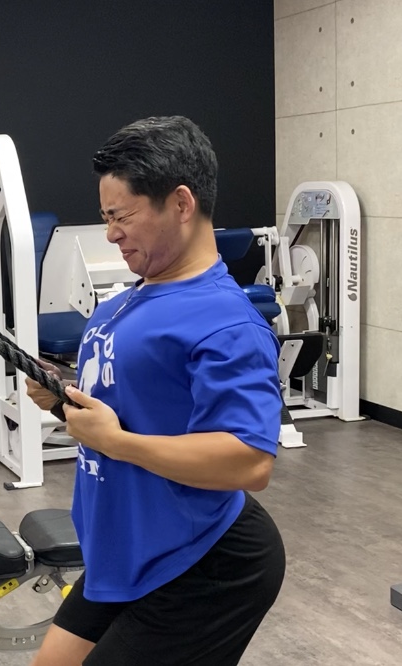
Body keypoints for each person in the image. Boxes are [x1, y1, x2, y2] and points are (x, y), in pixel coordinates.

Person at [25, 115, 286, 666]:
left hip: (206, 561)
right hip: (128, 547)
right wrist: (65, 397)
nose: (111, 234)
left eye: (122, 216)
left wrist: (116, 442)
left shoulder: (226, 322)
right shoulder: (121, 305)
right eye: (106, 218)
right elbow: (134, 409)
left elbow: (249, 461)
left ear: (182, 204)